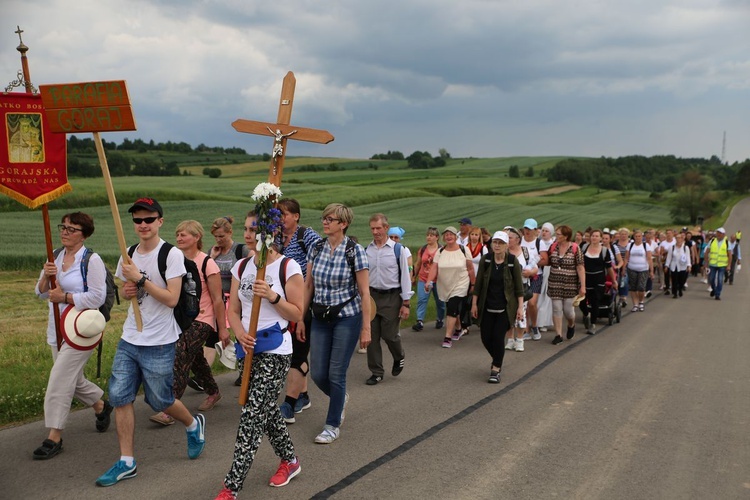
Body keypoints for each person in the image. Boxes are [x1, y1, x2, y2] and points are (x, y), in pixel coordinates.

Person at [97, 197, 205, 487]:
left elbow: (171, 298)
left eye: (149, 219)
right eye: (137, 220)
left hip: (159, 340)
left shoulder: (170, 255)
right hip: (130, 337)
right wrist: (130, 287)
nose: (142, 225)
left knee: (160, 400)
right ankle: (127, 461)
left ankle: (193, 424)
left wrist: (141, 280)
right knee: (120, 396)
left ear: (160, 221)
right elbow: (126, 288)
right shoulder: (128, 252)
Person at [213, 210, 306, 499]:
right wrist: (238, 331)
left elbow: (297, 312)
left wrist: (273, 296)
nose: (248, 234)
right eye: (246, 228)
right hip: (248, 349)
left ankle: (231, 487)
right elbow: (233, 309)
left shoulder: (287, 268)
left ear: (271, 233)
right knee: (264, 410)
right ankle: (290, 461)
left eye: (254, 229)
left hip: (276, 349)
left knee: (251, 414)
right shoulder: (241, 267)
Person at [32, 212, 113, 460]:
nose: (65, 231)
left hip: (81, 330)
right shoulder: (54, 255)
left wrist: (65, 298)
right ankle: (101, 405)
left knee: (59, 379)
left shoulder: (92, 260)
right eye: (63, 227)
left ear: (84, 234)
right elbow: (40, 293)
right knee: (72, 379)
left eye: (72, 228)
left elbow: (96, 297)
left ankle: (54, 436)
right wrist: (47, 276)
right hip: (56, 328)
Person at [303, 203, 371, 444]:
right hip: (321, 317)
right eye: (324, 218)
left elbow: (364, 292)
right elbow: (308, 285)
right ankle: (340, 399)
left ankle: (331, 425)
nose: (325, 222)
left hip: (347, 318)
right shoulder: (317, 247)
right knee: (319, 373)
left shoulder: (355, 251)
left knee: (336, 372)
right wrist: (301, 318)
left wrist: (366, 328)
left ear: (343, 224)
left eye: (330, 219)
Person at [150, 220, 225, 426]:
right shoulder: (173, 261)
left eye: (184, 234)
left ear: (197, 237)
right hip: (180, 319)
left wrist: (223, 329)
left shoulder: (207, 263)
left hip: (202, 319)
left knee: (180, 353)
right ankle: (213, 391)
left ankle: (170, 407)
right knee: (195, 358)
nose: (179, 238)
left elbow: (218, 299)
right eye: (177, 234)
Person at [277, 198, 322, 424]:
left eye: (285, 214)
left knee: (299, 350)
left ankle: (289, 403)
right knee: (292, 348)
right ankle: (303, 395)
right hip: (281, 303)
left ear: (296, 216)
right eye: (278, 214)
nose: (281, 218)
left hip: (305, 301)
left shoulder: (307, 236)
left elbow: (321, 263)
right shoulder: (274, 238)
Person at [365, 214, 412, 385]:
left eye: (378, 228)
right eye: (372, 228)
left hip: (392, 297)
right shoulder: (367, 250)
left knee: (390, 335)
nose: (375, 232)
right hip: (372, 296)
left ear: (386, 227)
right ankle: (376, 371)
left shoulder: (397, 250)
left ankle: (399, 355)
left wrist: (406, 303)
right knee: (372, 336)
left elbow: (405, 277)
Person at [471, 231, 524, 383]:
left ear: (507, 245)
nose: (497, 245)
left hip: (506, 308)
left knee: (498, 337)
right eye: (495, 242)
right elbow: (479, 284)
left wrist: (520, 308)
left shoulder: (513, 262)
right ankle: (497, 358)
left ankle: (495, 369)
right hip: (487, 306)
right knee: (485, 337)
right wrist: (474, 303)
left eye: (501, 243)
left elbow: (519, 288)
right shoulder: (486, 260)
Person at [209, 216, 251, 385]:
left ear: (230, 232)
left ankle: (244, 370)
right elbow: (208, 273)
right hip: (219, 300)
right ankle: (204, 373)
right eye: (216, 236)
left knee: (241, 335)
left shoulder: (241, 250)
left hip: (238, 300)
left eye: (221, 236)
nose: (219, 240)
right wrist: (211, 257)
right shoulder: (213, 252)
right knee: (214, 335)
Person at [425, 226, 475, 348]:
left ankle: (447, 337)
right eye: (446, 235)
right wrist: (428, 281)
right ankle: (458, 328)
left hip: (461, 283)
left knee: (452, 306)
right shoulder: (440, 251)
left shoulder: (464, 250)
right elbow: (434, 267)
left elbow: (470, 268)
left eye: (451, 234)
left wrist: (473, 284)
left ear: (456, 236)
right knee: (452, 309)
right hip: (445, 284)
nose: (448, 237)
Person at [545, 225, 585, 345]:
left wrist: (583, 286)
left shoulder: (575, 248)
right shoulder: (553, 247)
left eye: (558, 234)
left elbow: (580, 267)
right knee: (556, 308)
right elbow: (547, 261)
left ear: (566, 236)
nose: (556, 236)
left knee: (568, 311)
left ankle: (571, 324)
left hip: (570, 285)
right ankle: (558, 335)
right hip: (555, 283)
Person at [505, 227, 537, 352]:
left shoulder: (525, 251)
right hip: (507, 288)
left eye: (510, 238)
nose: (507, 240)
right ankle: (510, 339)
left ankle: (520, 339)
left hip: (522, 288)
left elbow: (535, 268)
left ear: (517, 239)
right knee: (508, 313)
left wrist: (529, 272)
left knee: (521, 313)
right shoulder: (505, 252)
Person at [580, 230, 617, 334]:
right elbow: (579, 265)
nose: (594, 238)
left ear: (600, 238)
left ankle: (592, 324)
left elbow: (609, 268)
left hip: (599, 280)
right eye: (592, 236)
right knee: (582, 301)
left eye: (596, 236)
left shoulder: (605, 251)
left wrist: (613, 281)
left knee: (595, 301)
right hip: (585, 278)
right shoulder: (584, 248)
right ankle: (586, 314)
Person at [412, 227, 446, 332]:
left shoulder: (442, 250)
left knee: (440, 301)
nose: (428, 237)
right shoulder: (423, 249)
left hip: (438, 280)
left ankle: (440, 319)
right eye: (427, 235)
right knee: (422, 299)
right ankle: (420, 321)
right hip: (423, 278)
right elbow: (418, 264)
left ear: (437, 237)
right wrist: (414, 276)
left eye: (431, 235)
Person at [520, 218, 549, 341]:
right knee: (524, 303)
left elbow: (545, 260)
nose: (527, 231)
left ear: (535, 230)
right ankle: (526, 330)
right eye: (526, 228)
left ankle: (535, 325)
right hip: (522, 275)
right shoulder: (519, 241)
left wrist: (533, 264)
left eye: (530, 229)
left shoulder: (539, 243)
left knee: (532, 303)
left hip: (536, 276)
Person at [623, 229, 654, 312]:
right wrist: (623, 269)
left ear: (642, 237)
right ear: (634, 237)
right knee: (633, 287)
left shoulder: (646, 245)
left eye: (639, 236)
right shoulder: (630, 245)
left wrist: (651, 271)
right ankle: (635, 304)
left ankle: (641, 302)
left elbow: (649, 259)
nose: (638, 238)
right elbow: (626, 258)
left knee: (641, 287)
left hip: (643, 269)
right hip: (632, 268)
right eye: (636, 236)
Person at [536, 222, 555, 333]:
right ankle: (536, 321)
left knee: (547, 299)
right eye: (543, 230)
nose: (544, 233)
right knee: (537, 297)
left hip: (549, 273)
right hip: (538, 272)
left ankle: (543, 322)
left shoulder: (553, 244)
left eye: (546, 231)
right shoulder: (538, 243)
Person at [705, 227, 732, 300]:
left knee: (720, 280)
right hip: (712, 264)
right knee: (711, 279)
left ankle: (717, 294)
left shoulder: (727, 243)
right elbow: (707, 252)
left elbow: (729, 255)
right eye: (717, 233)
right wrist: (706, 263)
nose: (718, 234)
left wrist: (729, 265)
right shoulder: (712, 241)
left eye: (720, 233)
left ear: (723, 234)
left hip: (722, 265)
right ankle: (714, 289)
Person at [665, 231, 691, 298]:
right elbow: (669, 257)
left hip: (682, 266)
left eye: (680, 238)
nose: (678, 239)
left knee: (681, 280)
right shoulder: (672, 247)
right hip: (674, 266)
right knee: (674, 279)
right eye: (677, 238)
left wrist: (689, 265)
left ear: (682, 239)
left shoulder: (685, 248)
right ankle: (675, 293)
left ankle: (680, 289)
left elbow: (688, 257)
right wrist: (667, 265)